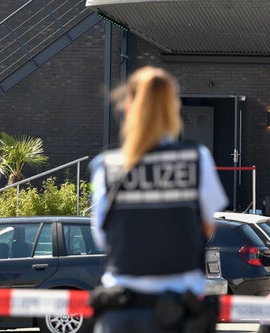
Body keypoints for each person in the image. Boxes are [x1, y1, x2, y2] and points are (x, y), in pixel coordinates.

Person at [89, 66, 228, 333]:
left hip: (122, 313)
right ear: (172, 109)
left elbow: (103, 236)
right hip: (179, 314)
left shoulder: (107, 165)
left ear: (128, 107)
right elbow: (208, 227)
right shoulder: (196, 158)